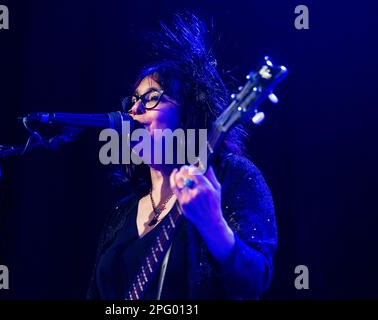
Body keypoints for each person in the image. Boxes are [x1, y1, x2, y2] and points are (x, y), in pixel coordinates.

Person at [86, 13, 277, 300]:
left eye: (151, 97)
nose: (135, 111)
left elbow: (253, 283)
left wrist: (213, 225)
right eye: (133, 100)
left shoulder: (230, 177)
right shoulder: (121, 214)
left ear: (188, 113)